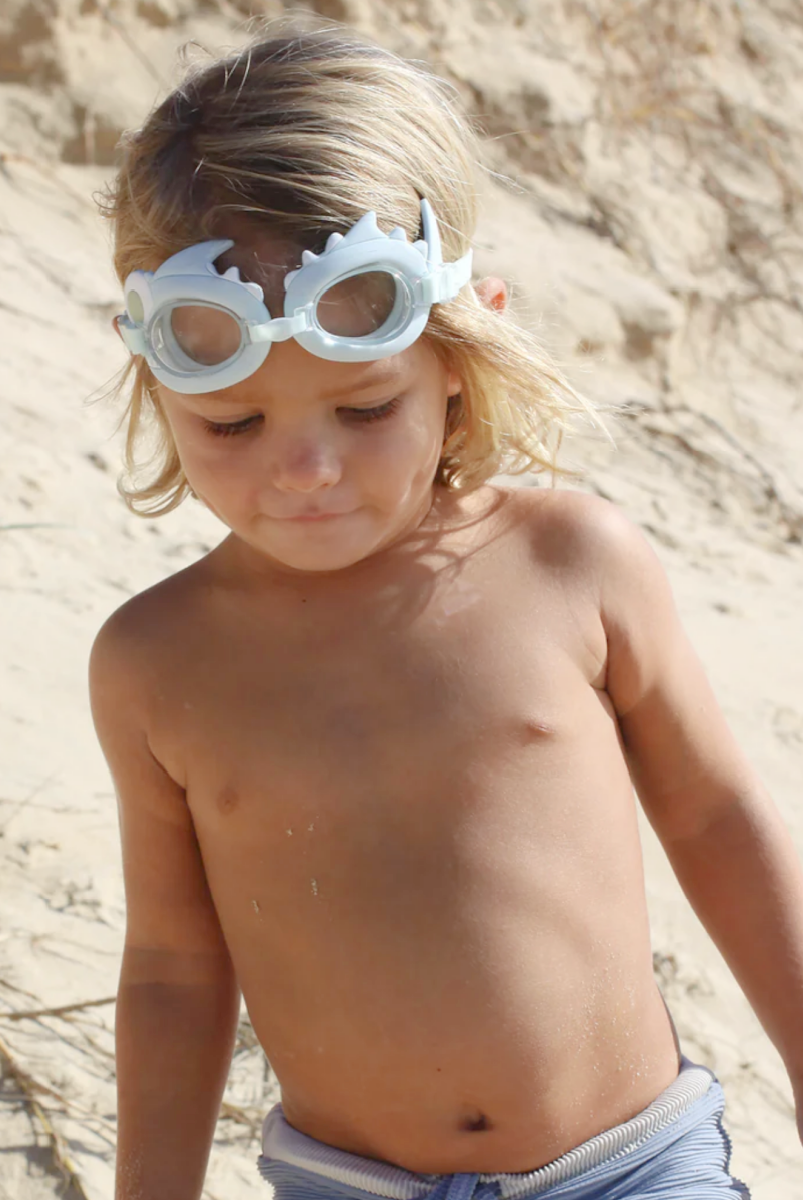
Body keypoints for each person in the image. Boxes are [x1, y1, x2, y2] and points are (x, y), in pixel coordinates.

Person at [89, 25, 803, 1200]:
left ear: (460, 357)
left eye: (365, 409)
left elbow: (717, 817)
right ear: (158, 385)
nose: (306, 469)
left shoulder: (572, 566)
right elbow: (173, 964)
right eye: (234, 424)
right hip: (347, 1182)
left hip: (628, 1166)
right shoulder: (159, 663)